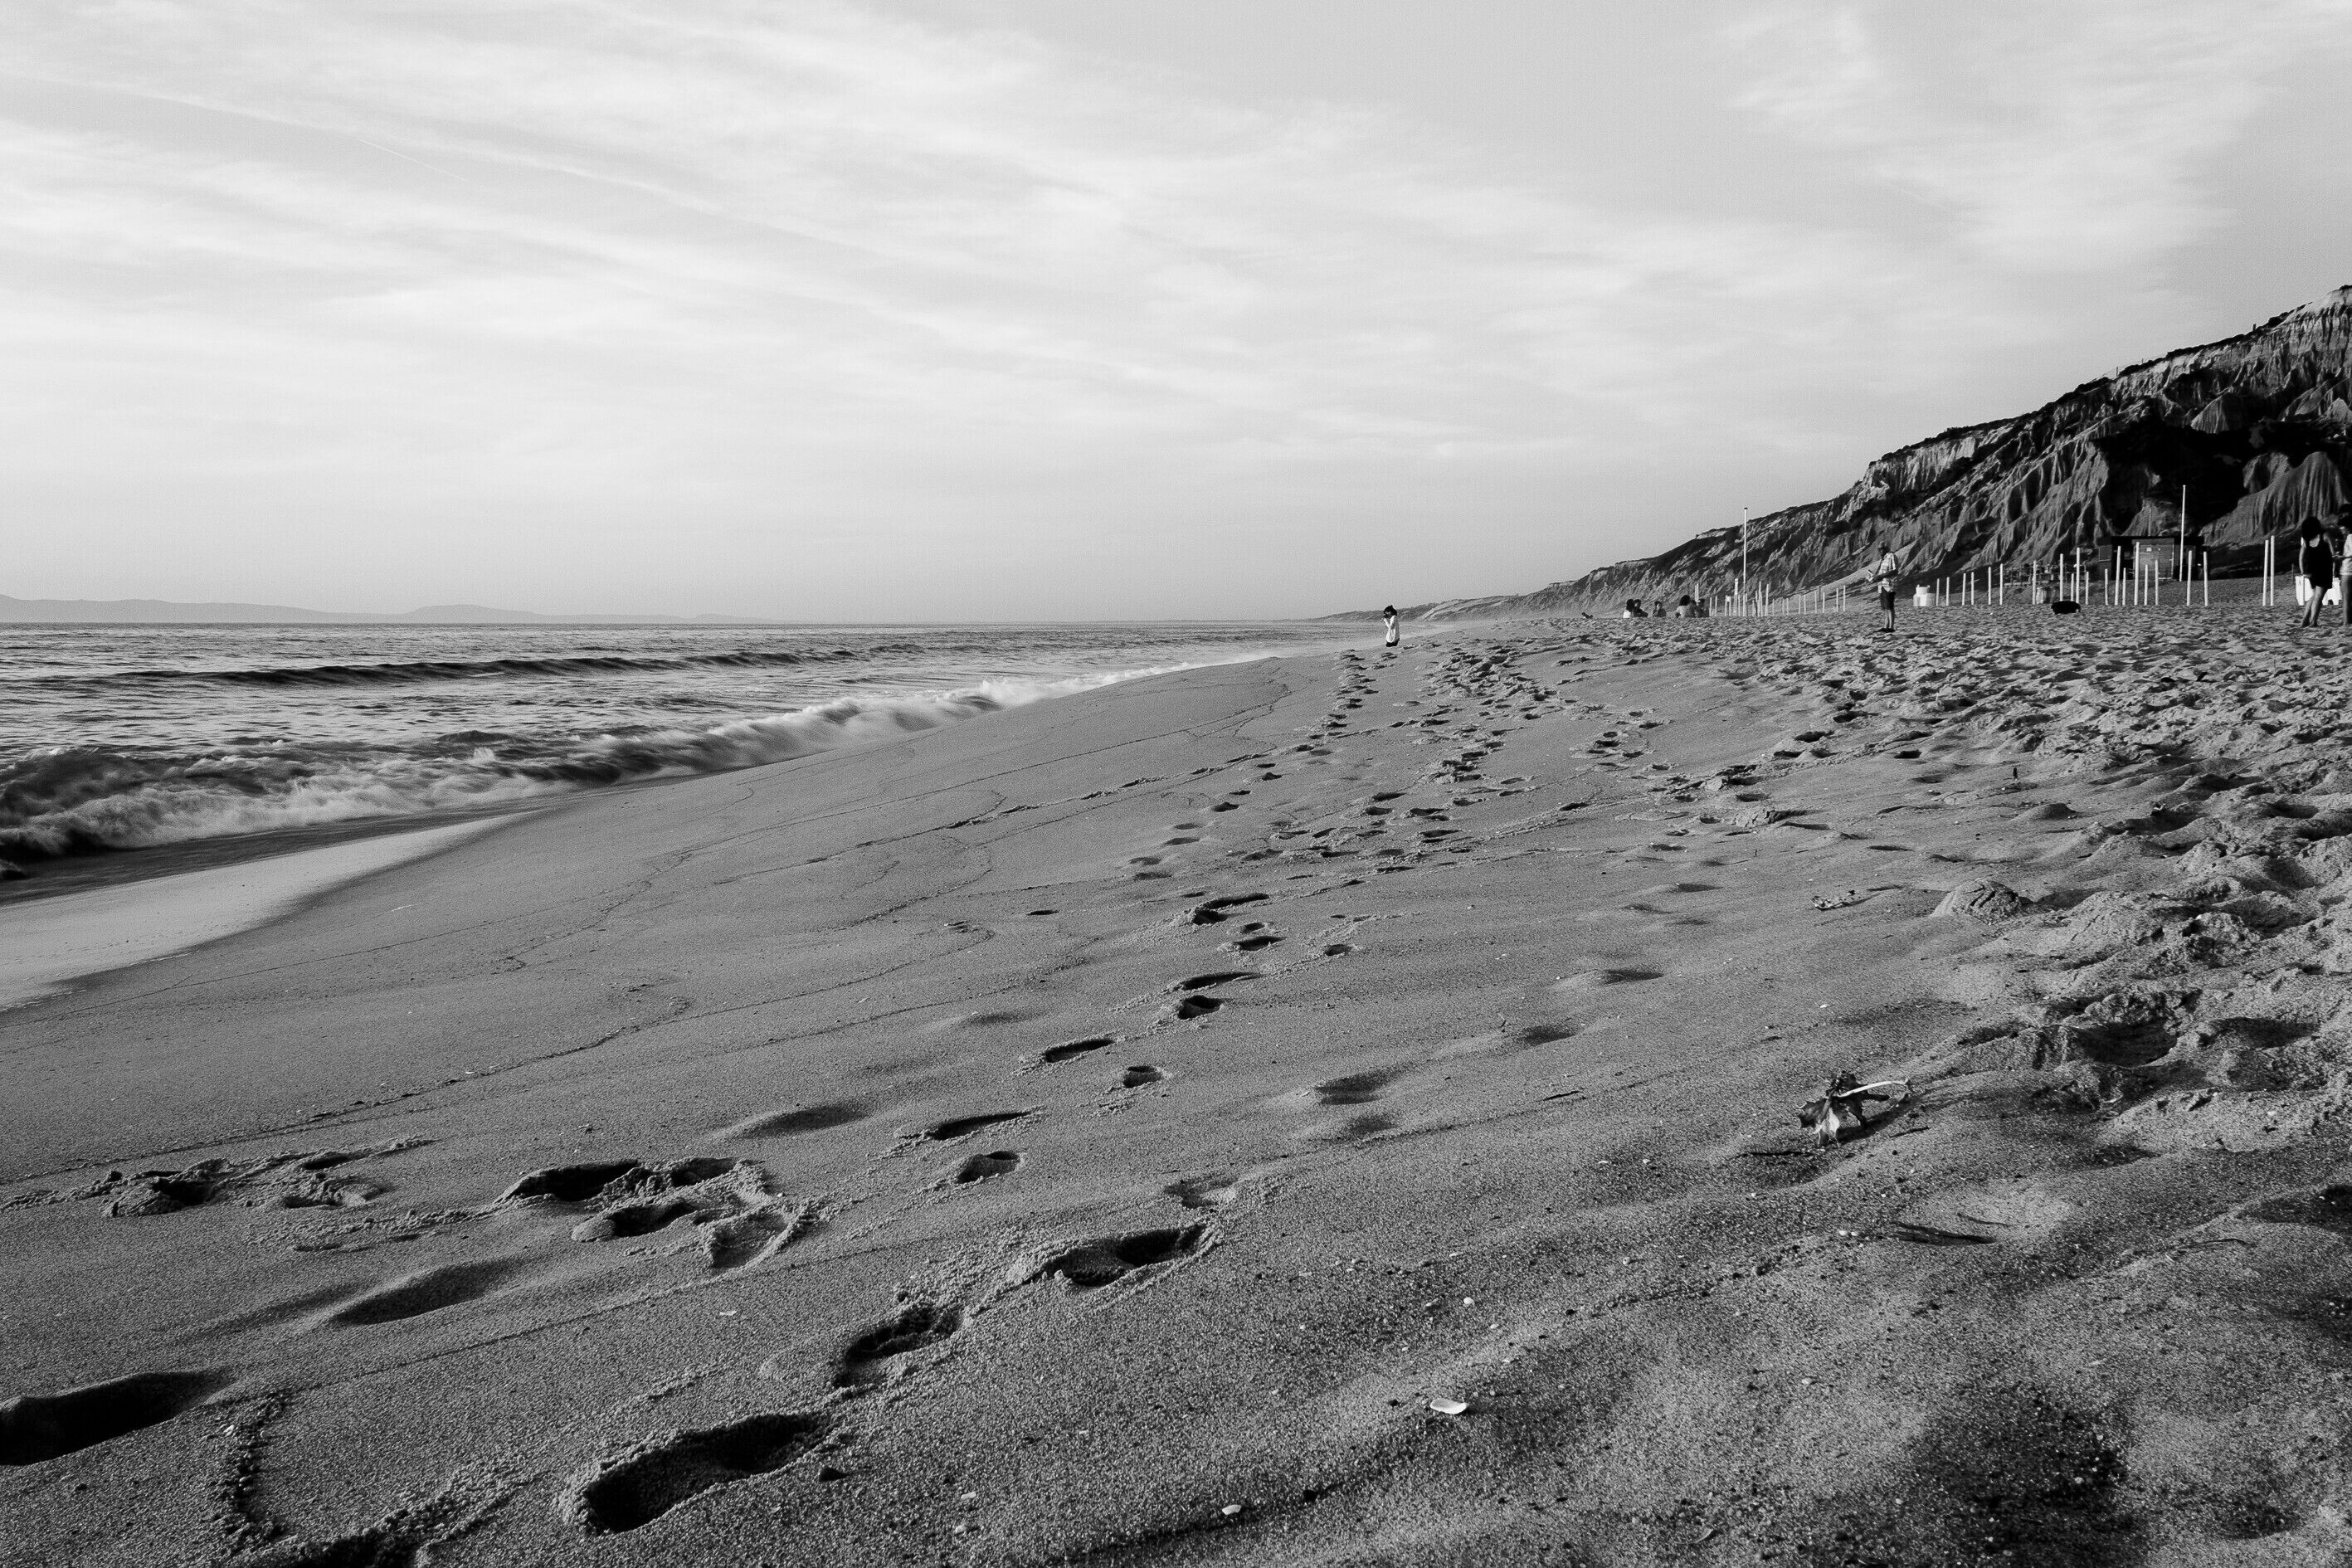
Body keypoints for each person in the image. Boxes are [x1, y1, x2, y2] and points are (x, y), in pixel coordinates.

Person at [2297, 516, 2335, 627]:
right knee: (2319, 596)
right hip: (2324, 569)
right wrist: (2335, 567)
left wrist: (2302, 571)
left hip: (2311, 571)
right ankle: (2313, 621)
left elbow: (2301, 556)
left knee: (2314, 595)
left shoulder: (2307, 540)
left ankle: (2304, 620)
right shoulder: (2325, 535)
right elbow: (2333, 554)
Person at [1872, 543, 1900, 632]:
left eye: (1881, 549)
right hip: (1882, 585)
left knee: (1889, 607)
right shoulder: (1883, 559)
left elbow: (1895, 570)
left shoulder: (1891, 556)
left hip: (1889, 585)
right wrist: (1875, 578)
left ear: (1886, 549)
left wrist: (1881, 576)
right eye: (1879, 549)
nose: (1880, 551)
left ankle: (1891, 627)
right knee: (1885, 608)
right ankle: (1886, 626)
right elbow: (1882, 573)